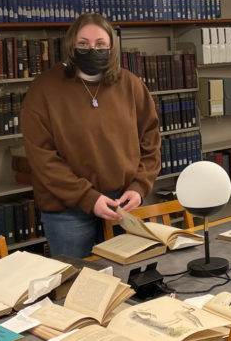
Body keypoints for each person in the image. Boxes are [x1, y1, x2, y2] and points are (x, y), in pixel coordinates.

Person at [21, 13, 161, 257]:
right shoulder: (43, 88)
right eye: (83, 44)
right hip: (68, 209)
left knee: (131, 281)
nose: (92, 50)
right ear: (71, 46)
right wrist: (87, 197)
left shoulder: (131, 85)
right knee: (76, 287)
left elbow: (151, 140)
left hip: (124, 202)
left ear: (111, 48)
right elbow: (42, 157)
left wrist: (140, 186)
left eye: (100, 45)